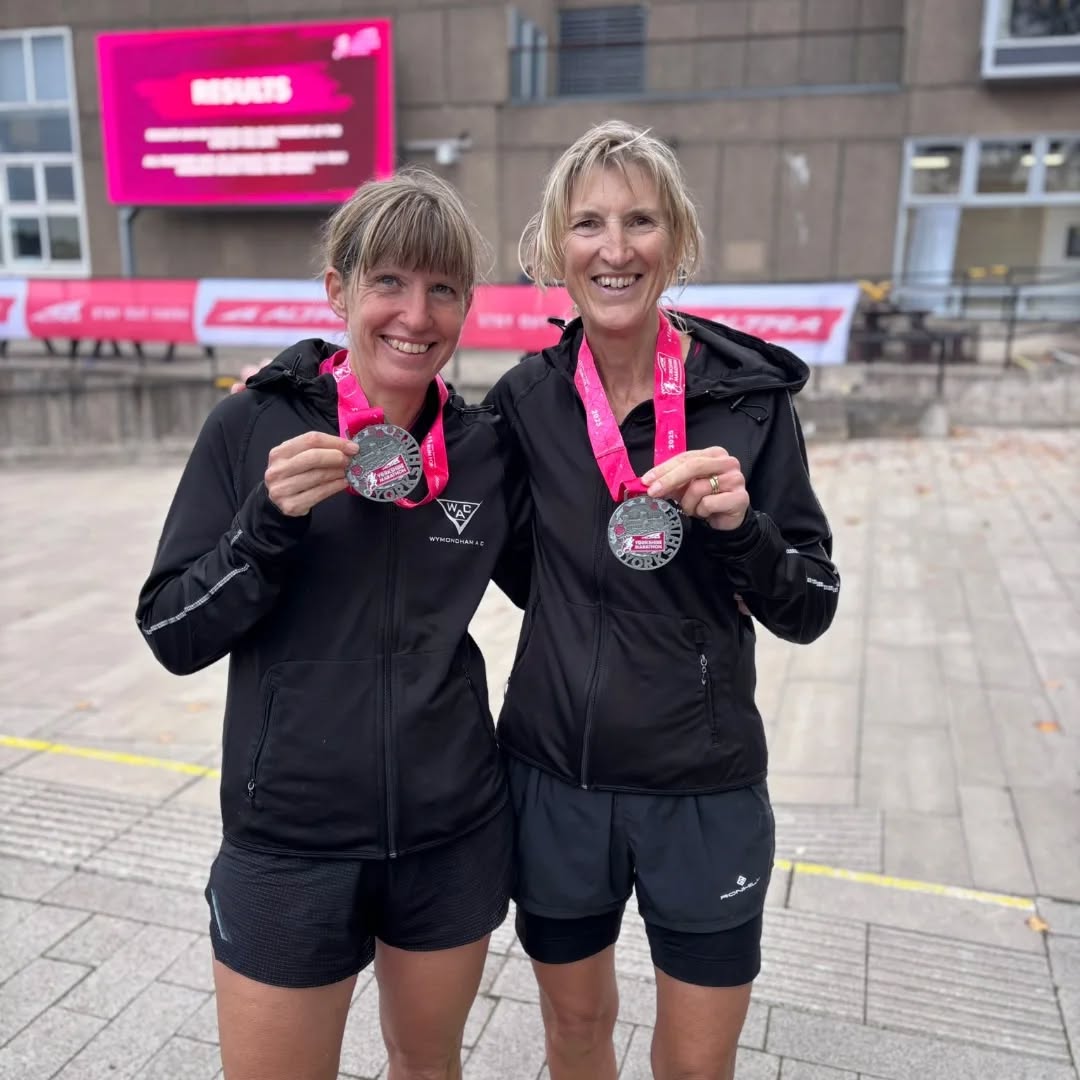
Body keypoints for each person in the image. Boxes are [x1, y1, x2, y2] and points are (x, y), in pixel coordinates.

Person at [136, 169, 528, 1080]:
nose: (415, 314)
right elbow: (171, 632)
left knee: (427, 1067)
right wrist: (264, 529)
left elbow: (566, 587)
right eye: (389, 281)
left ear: (466, 305)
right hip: (289, 841)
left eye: (442, 289)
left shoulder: (479, 451)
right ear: (339, 290)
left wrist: (712, 571)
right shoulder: (250, 426)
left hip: (450, 834)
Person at [486, 121, 840, 1080]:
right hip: (560, 781)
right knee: (573, 1035)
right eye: (588, 224)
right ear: (556, 250)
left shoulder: (750, 401)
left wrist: (742, 531)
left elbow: (810, 604)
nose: (614, 248)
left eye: (639, 221)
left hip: (706, 790)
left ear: (675, 243)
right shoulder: (526, 400)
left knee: (694, 1066)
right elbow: (500, 550)